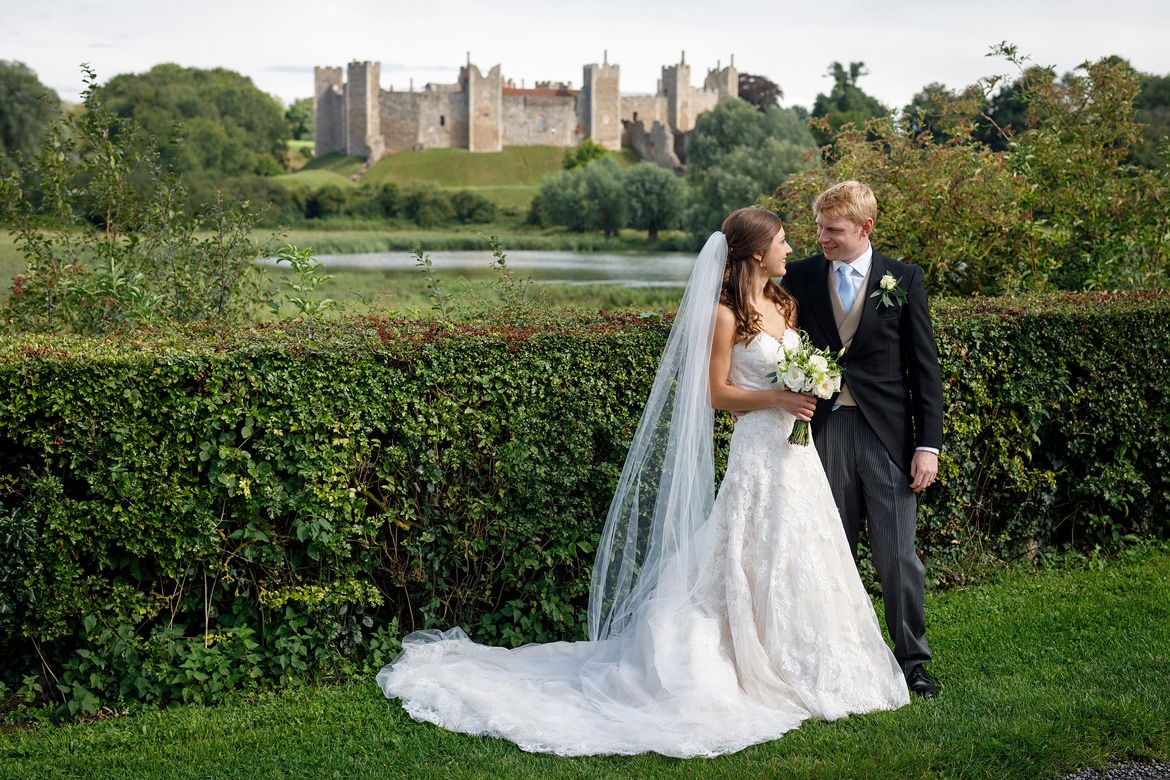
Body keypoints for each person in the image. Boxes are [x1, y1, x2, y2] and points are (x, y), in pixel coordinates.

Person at [376, 208, 909, 758]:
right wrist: (778, 397)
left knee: (801, 550)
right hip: (757, 452)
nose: (790, 247)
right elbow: (715, 395)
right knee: (751, 547)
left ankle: (806, 658)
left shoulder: (783, 303)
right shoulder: (726, 316)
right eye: (780, 240)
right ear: (756, 253)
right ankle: (745, 661)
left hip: (795, 456)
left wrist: (810, 386)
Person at [781, 181, 944, 698]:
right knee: (831, 550)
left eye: (834, 230)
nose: (822, 238)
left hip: (888, 437)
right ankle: (838, 658)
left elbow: (925, 371)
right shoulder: (802, 275)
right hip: (821, 431)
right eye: (819, 228)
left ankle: (912, 661)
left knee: (898, 556)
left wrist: (928, 445)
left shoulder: (904, 279)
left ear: (865, 228)